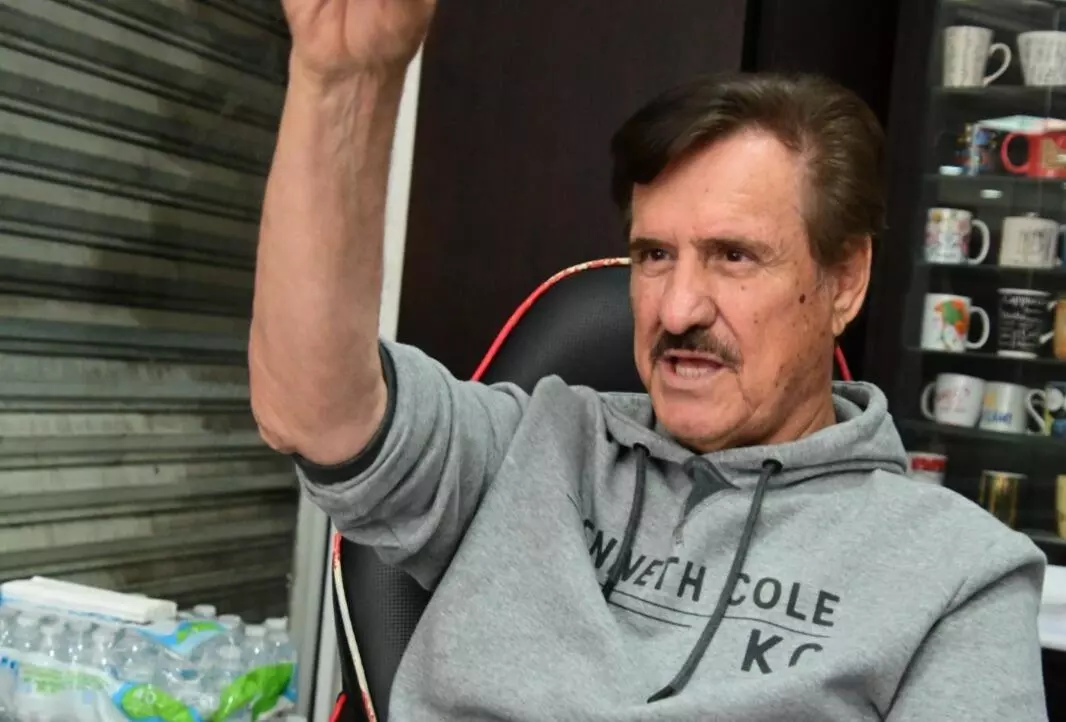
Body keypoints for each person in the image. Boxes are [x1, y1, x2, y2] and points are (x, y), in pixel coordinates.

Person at [250, 1, 1048, 720]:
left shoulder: (957, 575)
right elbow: (312, 411)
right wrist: (340, 81)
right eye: (654, 255)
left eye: (734, 256)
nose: (676, 309)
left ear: (844, 282)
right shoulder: (530, 445)